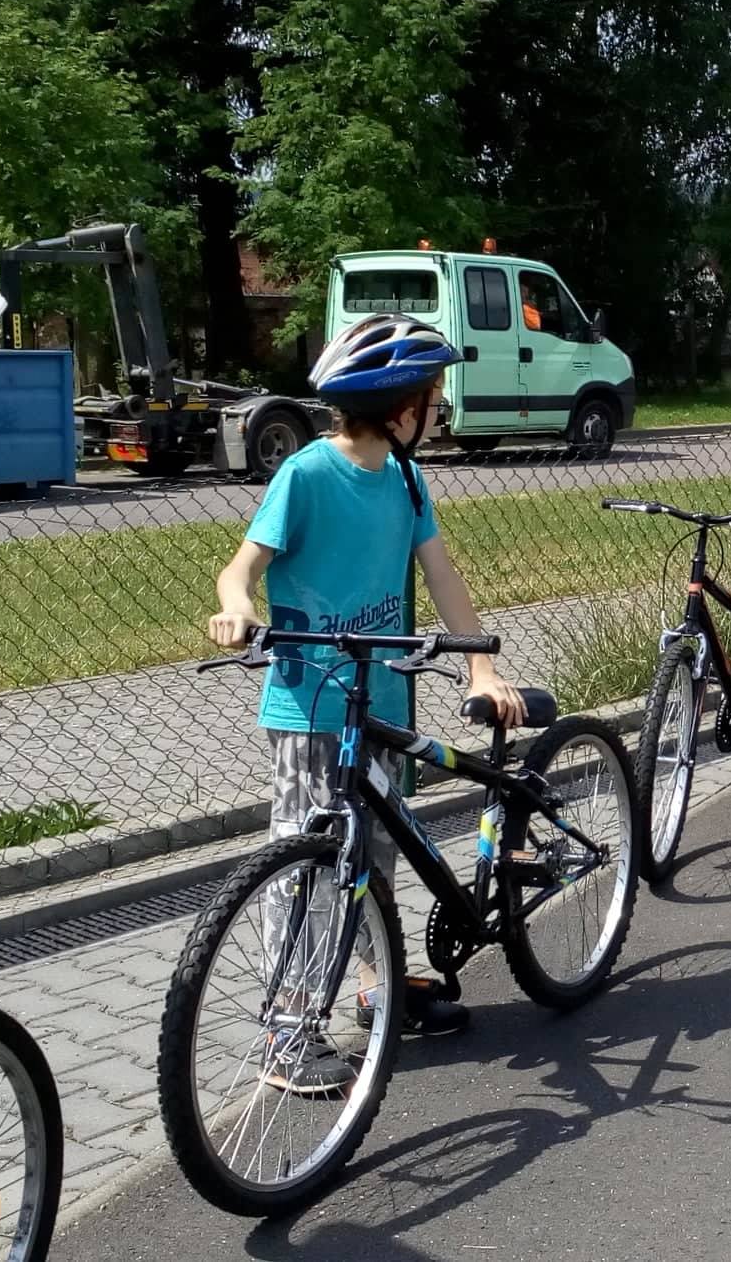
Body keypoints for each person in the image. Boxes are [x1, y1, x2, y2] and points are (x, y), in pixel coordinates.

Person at [209, 314, 526, 1085]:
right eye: (433, 397)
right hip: (311, 708)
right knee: (306, 866)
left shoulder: (407, 480)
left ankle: (373, 988)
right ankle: (289, 1030)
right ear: (399, 407)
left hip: (378, 698)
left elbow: (441, 575)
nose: (440, 410)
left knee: (370, 854)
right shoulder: (309, 475)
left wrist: (481, 666)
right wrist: (237, 608)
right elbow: (239, 569)